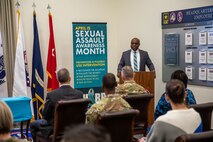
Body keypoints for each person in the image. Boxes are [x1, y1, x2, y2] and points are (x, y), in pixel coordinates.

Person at [30, 68, 83, 142]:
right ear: (70, 78)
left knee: (33, 124)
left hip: (55, 129)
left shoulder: (52, 95)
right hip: (74, 128)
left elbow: (45, 116)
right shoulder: (79, 94)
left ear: (57, 79)